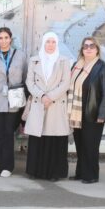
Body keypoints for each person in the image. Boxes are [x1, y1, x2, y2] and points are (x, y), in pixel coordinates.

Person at [24, 31, 72, 181]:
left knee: (54, 139)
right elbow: (29, 82)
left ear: (56, 44)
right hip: (39, 103)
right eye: (47, 42)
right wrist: (42, 95)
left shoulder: (64, 61)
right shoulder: (34, 60)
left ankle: (54, 172)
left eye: (53, 42)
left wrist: (50, 96)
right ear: (43, 43)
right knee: (38, 137)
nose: (50, 45)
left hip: (56, 104)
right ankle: (36, 171)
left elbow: (66, 83)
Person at [0, 26, 28, 177]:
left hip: (14, 102)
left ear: (11, 39)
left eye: (6, 38)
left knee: (9, 134)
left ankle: (7, 166)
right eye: (0, 38)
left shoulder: (20, 55)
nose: (3, 41)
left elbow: (25, 78)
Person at [67, 36, 105, 184]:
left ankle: (92, 174)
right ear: (82, 49)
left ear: (97, 49)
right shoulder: (76, 65)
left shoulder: (103, 67)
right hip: (77, 112)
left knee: (90, 145)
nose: (88, 48)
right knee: (80, 144)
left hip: (93, 113)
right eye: (85, 46)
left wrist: (102, 114)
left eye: (92, 46)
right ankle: (80, 172)